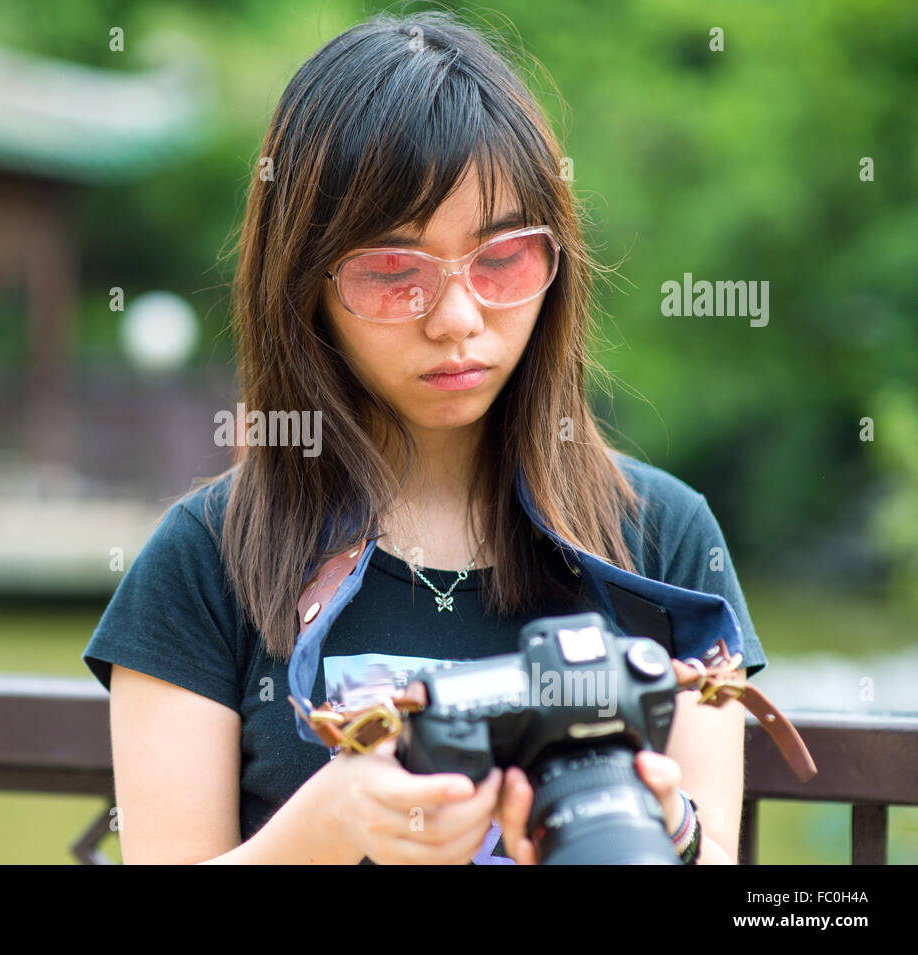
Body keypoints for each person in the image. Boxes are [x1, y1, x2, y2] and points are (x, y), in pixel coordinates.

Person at [82, 10, 767, 865]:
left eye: (503, 258)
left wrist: (674, 832)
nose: (457, 318)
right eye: (393, 273)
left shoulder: (665, 541)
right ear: (305, 287)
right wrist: (324, 827)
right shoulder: (205, 560)